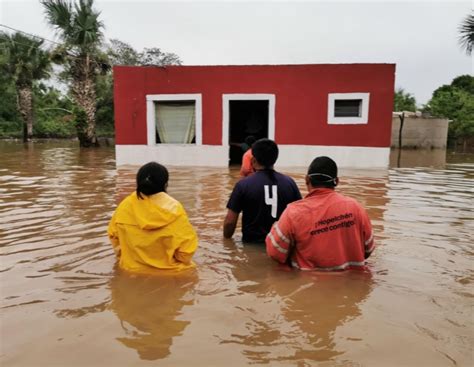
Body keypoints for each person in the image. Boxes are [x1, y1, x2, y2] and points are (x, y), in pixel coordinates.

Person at [266, 156, 375, 271]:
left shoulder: (293, 212)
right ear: (336, 181)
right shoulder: (356, 207)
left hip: (308, 284)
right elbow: (368, 249)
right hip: (352, 284)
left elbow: (275, 253)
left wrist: (275, 228)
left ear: (307, 180)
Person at [108, 162, 198, 273]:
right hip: (171, 275)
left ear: (138, 182)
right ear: (165, 184)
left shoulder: (124, 207)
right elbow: (185, 254)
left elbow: (114, 239)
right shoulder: (174, 209)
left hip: (130, 271)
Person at [223, 138, 302, 243]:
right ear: (275, 159)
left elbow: (230, 222)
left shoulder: (243, 185)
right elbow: (299, 217)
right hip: (280, 245)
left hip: (251, 244)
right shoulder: (290, 183)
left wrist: (226, 243)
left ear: (253, 160)